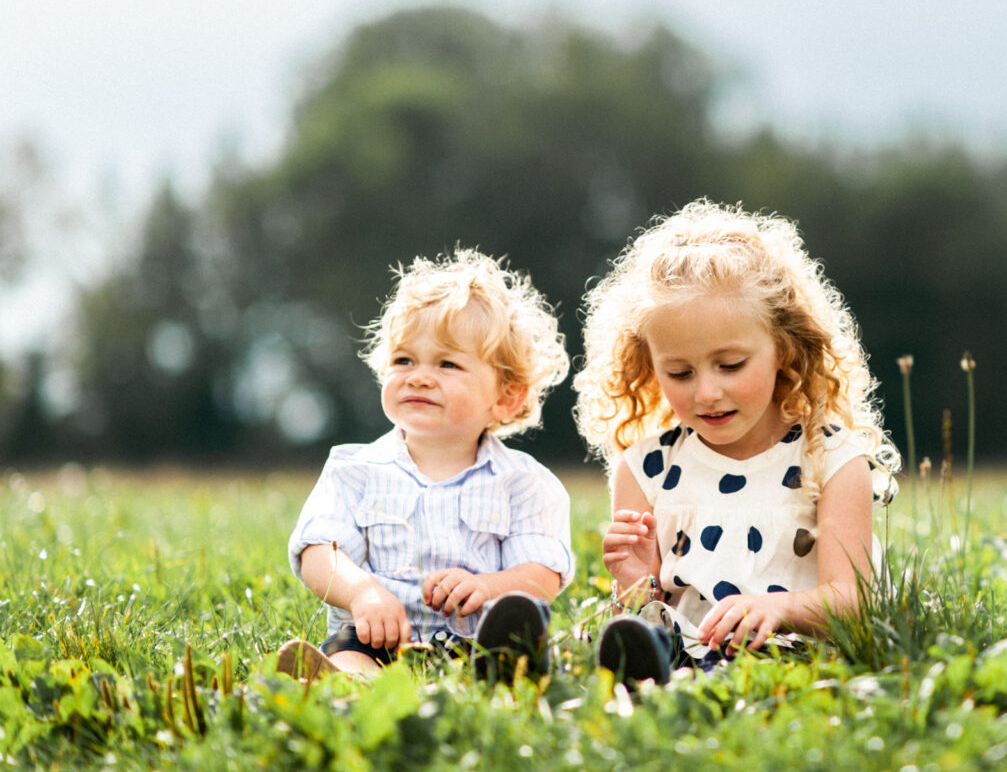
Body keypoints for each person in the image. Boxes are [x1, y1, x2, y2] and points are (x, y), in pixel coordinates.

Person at [573, 199, 898, 685]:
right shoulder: (646, 469)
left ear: (783, 347)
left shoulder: (832, 459)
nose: (707, 392)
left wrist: (778, 607)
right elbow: (647, 612)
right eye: (679, 373)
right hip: (682, 655)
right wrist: (635, 580)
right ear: (648, 363)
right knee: (639, 649)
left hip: (795, 658)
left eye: (730, 366)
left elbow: (852, 600)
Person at [277, 249, 574, 682]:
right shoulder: (353, 470)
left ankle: (500, 673)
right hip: (377, 637)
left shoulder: (523, 482)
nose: (418, 376)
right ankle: (346, 685)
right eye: (403, 360)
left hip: (478, 637)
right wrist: (363, 594)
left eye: (447, 363)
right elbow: (319, 553)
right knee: (351, 654)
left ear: (507, 396)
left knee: (512, 640)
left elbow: (541, 575)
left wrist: (487, 588)